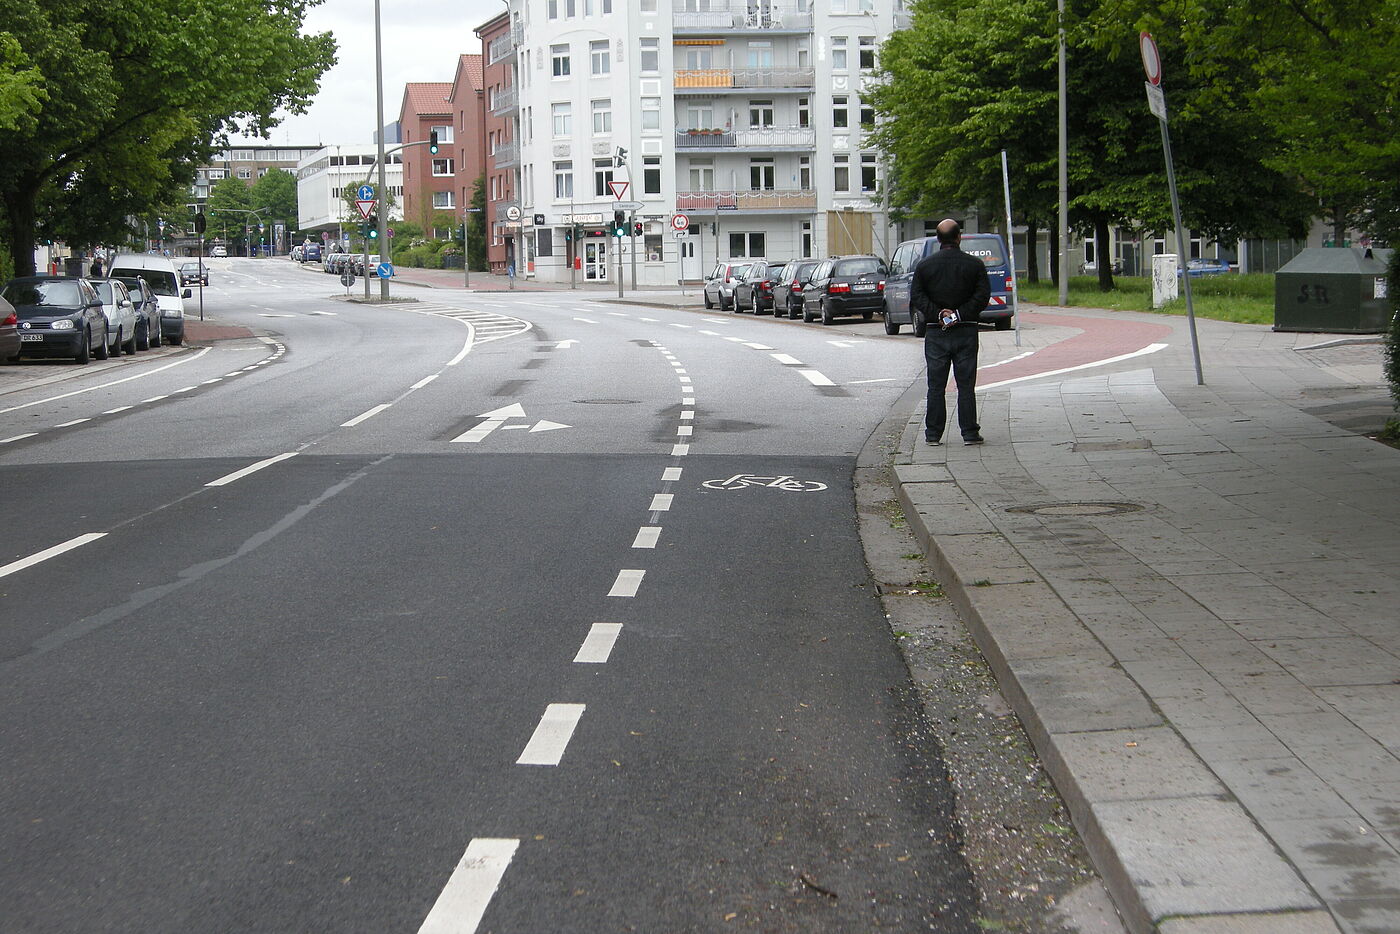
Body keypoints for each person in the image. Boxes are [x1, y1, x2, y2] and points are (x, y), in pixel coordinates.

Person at [911, 218, 991, 446]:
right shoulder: (974, 265)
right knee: (966, 384)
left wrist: (939, 314)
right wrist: (958, 315)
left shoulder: (925, 266)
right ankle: (969, 433)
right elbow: (982, 296)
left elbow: (917, 296)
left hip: (937, 332)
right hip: (965, 330)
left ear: (938, 239)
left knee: (935, 385)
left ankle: (933, 434)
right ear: (959, 237)